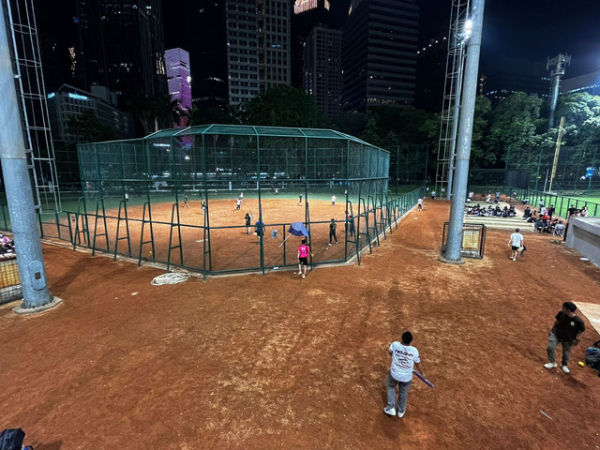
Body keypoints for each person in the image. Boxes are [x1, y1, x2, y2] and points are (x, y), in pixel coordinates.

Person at [384, 331, 424, 419]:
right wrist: (422, 373)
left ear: (401, 338)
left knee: (390, 386)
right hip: (406, 377)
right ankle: (401, 411)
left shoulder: (395, 345)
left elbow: (390, 353)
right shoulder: (414, 351)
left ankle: (391, 407)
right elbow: (418, 363)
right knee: (403, 392)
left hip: (394, 374)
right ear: (411, 341)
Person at [544, 301, 585, 374]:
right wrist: (551, 330)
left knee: (566, 353)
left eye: (563, 308)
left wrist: (577, 339)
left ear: (568, 310)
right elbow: (556, 322)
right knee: (550, 347)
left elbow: (582, 330)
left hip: (568, 339)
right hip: (556, 334)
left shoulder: (578, 321)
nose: (562, 309)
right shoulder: (561, 314)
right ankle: (552, 362)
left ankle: (564, 365)